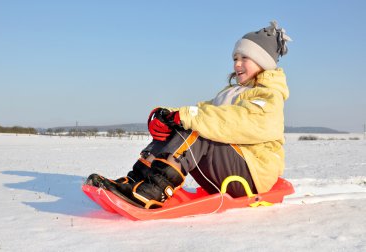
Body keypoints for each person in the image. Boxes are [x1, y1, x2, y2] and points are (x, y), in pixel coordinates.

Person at [86, 21, 292, 209]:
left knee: (197, 129)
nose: (236, 64)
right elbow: (203, 111)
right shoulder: (232, 92)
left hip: (253, 174)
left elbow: (241, 122)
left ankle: (154, 189)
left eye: (244, 58)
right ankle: (136, 181)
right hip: (231, 170)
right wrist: (170, 116)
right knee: (183, 125)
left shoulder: (269, 95)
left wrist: (187, 117)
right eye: (235, 59)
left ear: (263, 62)